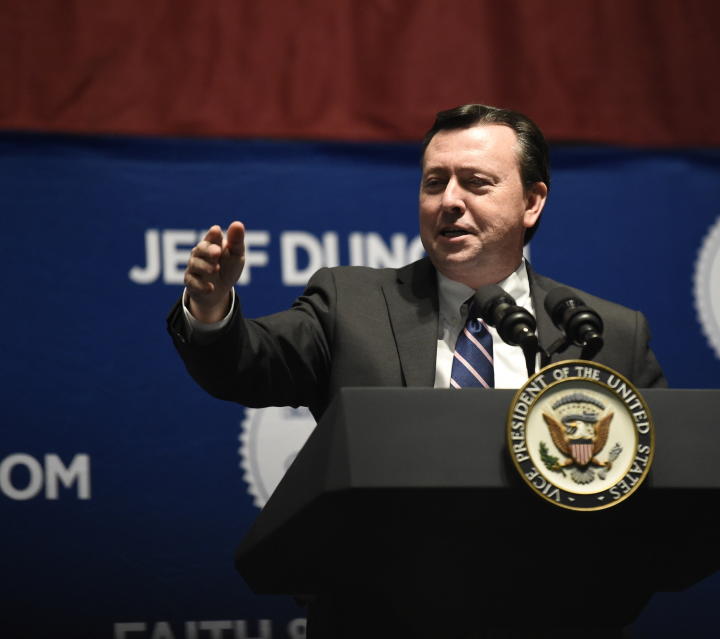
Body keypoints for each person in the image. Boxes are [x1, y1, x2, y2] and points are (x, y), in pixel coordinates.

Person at [167, 104, 666, 637]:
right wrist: (212, 309)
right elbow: (248, 363)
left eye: (476, 182)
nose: (450, 201)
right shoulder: (351, 302)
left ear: (533, 201)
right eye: (435, 183)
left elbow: (662, 503)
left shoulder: (604, 334)